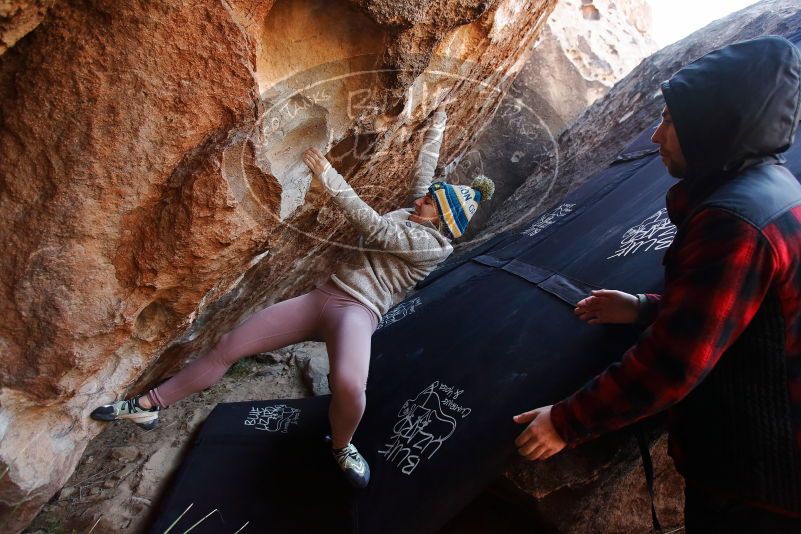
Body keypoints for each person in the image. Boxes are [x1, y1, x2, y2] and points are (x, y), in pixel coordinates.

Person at [91, 104, 495, 489]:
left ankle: (341, 447)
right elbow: (425, 171)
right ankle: (147, 407)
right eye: (427, 196)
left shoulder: (432, 247)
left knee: (351, 385)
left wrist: (330, 177)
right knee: (229, 346)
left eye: (429, 201)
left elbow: (376, 229)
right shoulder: (418, 211)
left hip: (357, 312)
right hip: (322, 297)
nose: (421, 198)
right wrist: (438, 122)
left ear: (439, 217)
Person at [513, 36, 801, 532]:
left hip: (758, 481)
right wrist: (648, 307)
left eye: (670, 120)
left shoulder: (732, 221)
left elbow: (675, 360)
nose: (654, 136)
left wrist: (566, 422)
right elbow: (751, 307)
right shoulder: (774, 189)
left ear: (713, 126)